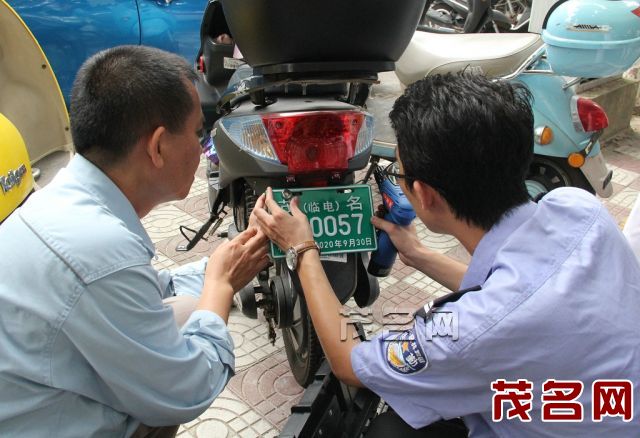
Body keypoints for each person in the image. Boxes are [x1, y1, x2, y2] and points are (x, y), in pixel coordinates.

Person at [253, 73, 640, 436]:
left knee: (387, 430)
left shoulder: (462, 337)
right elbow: (522, 298)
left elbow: (349, 362)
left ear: (424, 194)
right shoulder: (577, 208)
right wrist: (419, 254)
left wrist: (301, 249)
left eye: (399, 174)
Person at [0, 46, 269, 437]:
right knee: (164, 391)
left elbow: (144, 292)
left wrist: (225, 266)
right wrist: (221, 288)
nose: (202, 147)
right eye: (197, 133)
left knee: (181, 306)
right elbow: (188, 390)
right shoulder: (99, 249)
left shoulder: (66, 200)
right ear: (157, 146)